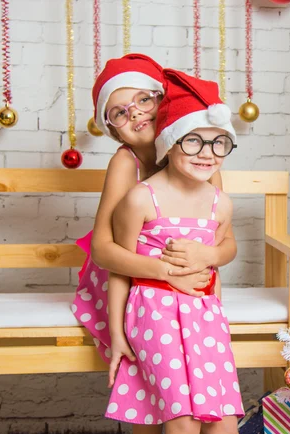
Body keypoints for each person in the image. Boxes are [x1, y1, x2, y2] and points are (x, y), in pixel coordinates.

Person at [105, 69, 244, 434]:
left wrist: (211, 255)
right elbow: (118, 264)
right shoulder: (140, 197)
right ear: (170, 143)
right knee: (182, 423)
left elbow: (224, 248)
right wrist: (117, 332)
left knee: (223, 424)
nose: (207, 154)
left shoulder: (218, 201)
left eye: (219, 145)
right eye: (194, 142)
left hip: (204, 317)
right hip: (156, 314)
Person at [72, 54, 237, 366]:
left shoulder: (199, 158)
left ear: (164, 101)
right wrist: (167, 274)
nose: (135, 113)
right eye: (119, 112)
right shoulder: (125, 162)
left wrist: (209, 257)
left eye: (143, 99)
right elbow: (103, 251)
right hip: (126, 273)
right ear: (114, 131)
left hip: (179, 276)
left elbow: (220, 239)